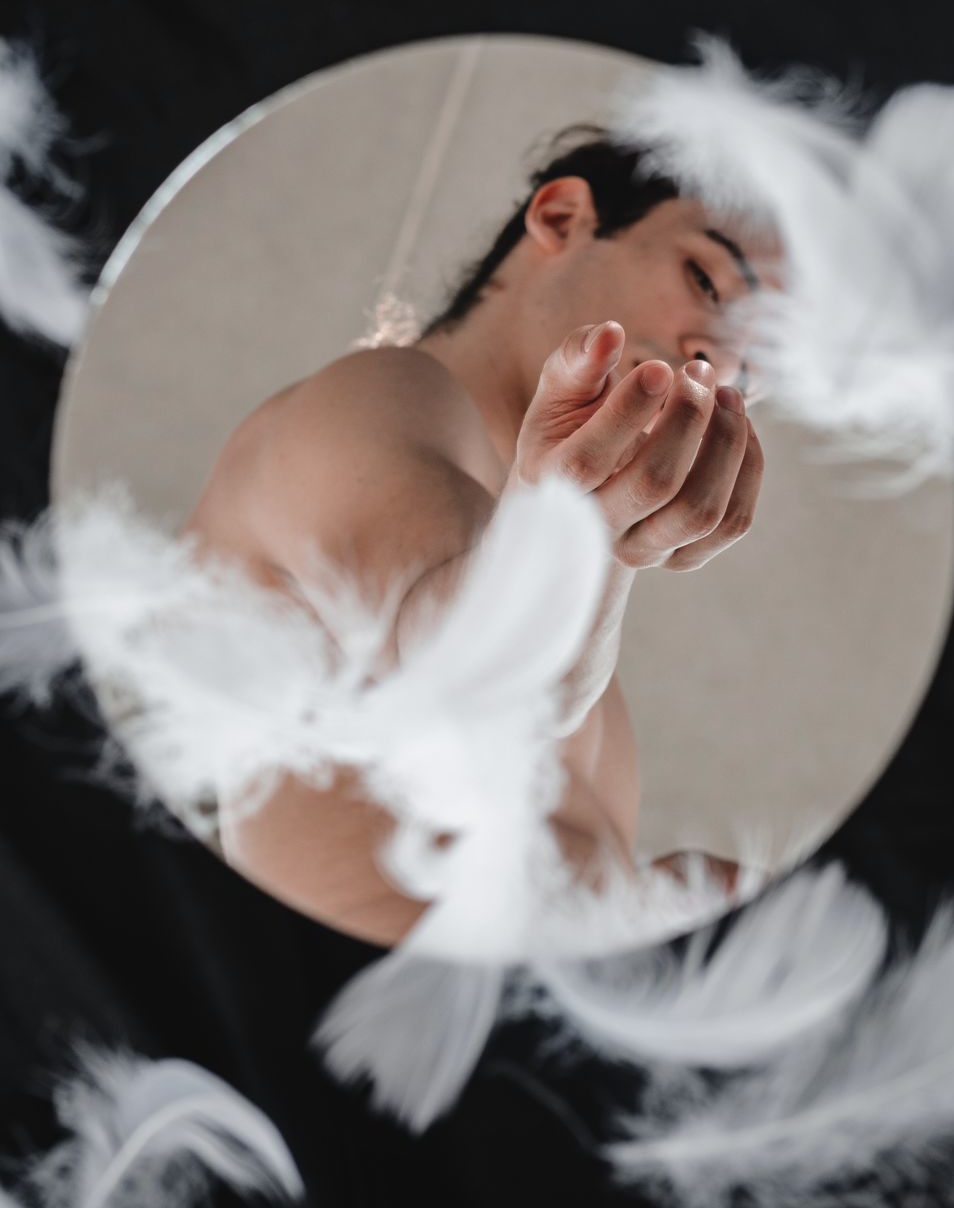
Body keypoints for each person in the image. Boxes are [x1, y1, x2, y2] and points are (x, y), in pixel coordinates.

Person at [179, 125, 776, 948]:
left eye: (761, 356)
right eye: (706, 279)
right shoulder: (368, 397)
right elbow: (469, 687)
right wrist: (585, 534)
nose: (725, 353)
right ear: (562, 218)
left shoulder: (602, 676)